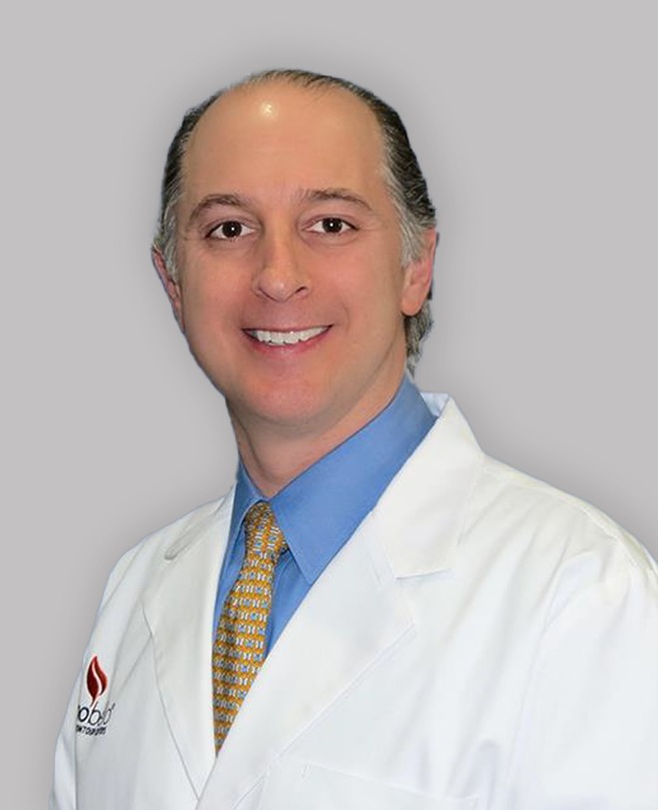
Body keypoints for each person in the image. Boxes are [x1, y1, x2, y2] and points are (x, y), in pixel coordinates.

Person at [50, 69, 658, 810]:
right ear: (173, 284)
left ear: (415, 266)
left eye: (330, 224)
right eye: (228, 230)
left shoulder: (581, 595)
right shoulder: (136, 588)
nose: (277, 276)